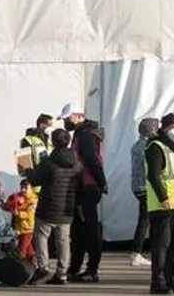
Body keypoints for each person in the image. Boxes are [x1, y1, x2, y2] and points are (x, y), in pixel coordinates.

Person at [59, 104, 105, 283]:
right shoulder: (81, 134)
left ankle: (91, 269)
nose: (65, 122)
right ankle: (75, 268)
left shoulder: (85, 135)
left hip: (87, 188)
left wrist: (102, 183)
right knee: (79, 231)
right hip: (83, 187)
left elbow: (92, 161)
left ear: (79, 116)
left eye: (67, 118)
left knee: (89, 230)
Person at [29, 128, 81, 285]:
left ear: (53, 142)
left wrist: (28, 171)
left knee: (41, 236)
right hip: (67, 207)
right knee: (64, 241)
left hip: (48, 207)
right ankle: (62, 273)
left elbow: (35, 180)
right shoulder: (76, 163)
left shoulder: (49, 163)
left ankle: (43, 268)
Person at [146, 113, 174, 295]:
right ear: (164, 128)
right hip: (162, 205)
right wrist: (163, 197)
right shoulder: (156, 147)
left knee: (173, 246)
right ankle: (158, 282)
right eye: (173, 127)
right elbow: (153, 175)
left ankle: (169, 278)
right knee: (161, 246)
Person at [130, 118, 159, 266]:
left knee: (144, 219)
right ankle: (137, 252)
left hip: (137, 186)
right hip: (145, 187)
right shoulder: (148, 146)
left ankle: (137, 252)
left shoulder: (136, 145)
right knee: (145, 220)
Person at [3, 179, 38, 260]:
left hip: (28, 229)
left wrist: (19, 214)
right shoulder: (17, 196)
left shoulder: (33, 199)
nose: (23, 190)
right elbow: (10, 204)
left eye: (26, 188)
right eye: (21, 187)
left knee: (21, 249)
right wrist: (5, 206)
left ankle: (21, 265)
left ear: (31, 188)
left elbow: (30, 214)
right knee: (29, 250)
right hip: (19, 228)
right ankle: (35, 263)